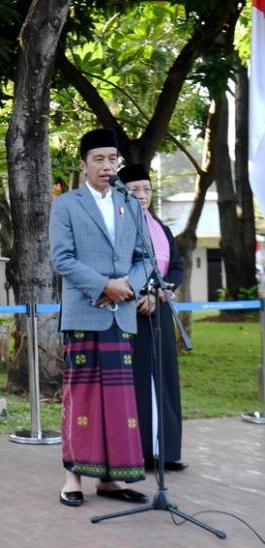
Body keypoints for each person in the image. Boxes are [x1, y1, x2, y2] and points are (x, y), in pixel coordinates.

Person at [49, 128, 152, 507]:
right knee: (83, 399)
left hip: (121, 315)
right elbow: (61, 259)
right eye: (99, 159)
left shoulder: (130, 203)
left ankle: (113, 481)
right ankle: (72, 478)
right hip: (84, 313)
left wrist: (129, 286)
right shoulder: (67, 205)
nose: (107, 166)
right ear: (83, 164)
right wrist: (104, 286)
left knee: (120, 402)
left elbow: (145, 258)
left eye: (113, 159)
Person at [119, 164, 187, 472]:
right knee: (140, 382)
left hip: (159, 309)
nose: (142, 195)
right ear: (123, 193)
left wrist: (160, 294)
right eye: (135, 190)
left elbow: (176, 267)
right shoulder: (119, 226)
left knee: (165, 379)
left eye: (147, 189)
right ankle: (142, 451)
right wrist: (139, 295)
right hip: (132, 312)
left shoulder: (160, 228)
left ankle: (167, 452)